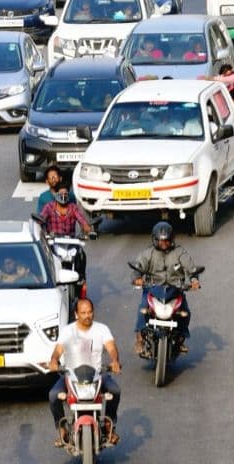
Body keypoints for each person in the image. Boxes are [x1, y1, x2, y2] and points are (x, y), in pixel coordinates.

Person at [47, 298, 121, 446]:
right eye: (83, 313)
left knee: (115, 390)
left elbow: (111, 348)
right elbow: (58, 350)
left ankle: (108, 426)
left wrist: (114, 361)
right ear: (76, 314)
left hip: (97, 374)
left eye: (90, 312)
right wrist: (54, 361)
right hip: (71, 375)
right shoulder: (68, 331)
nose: (87, 315)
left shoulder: (102, 329)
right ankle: (62, 430)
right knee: (53, 395)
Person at [132, 222, 201, 356]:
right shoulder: (148, 253)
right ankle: (139, 339)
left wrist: (194, 281)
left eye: (167, 240)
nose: (164, 243)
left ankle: (181, 339)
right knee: (142, 308)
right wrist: (137, 278)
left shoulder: (179, 252)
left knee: (185, 312)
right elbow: (138, 266)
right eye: (161, 240)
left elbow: (191, 268)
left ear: (172, 239)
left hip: (175, 289)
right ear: (155, 240)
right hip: (152, 288)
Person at [39, 184, 93, 280]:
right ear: (56, 194)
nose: (63, 196)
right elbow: (41, 219)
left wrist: (88, 231)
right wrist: (39, 225)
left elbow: (83, 221)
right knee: (43, 257)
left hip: (70, 241)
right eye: (61, 193)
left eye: (65, 193)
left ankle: (82, 280)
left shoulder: (73, 207)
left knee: (81, 255)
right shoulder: (49, 207)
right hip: (54, 241)